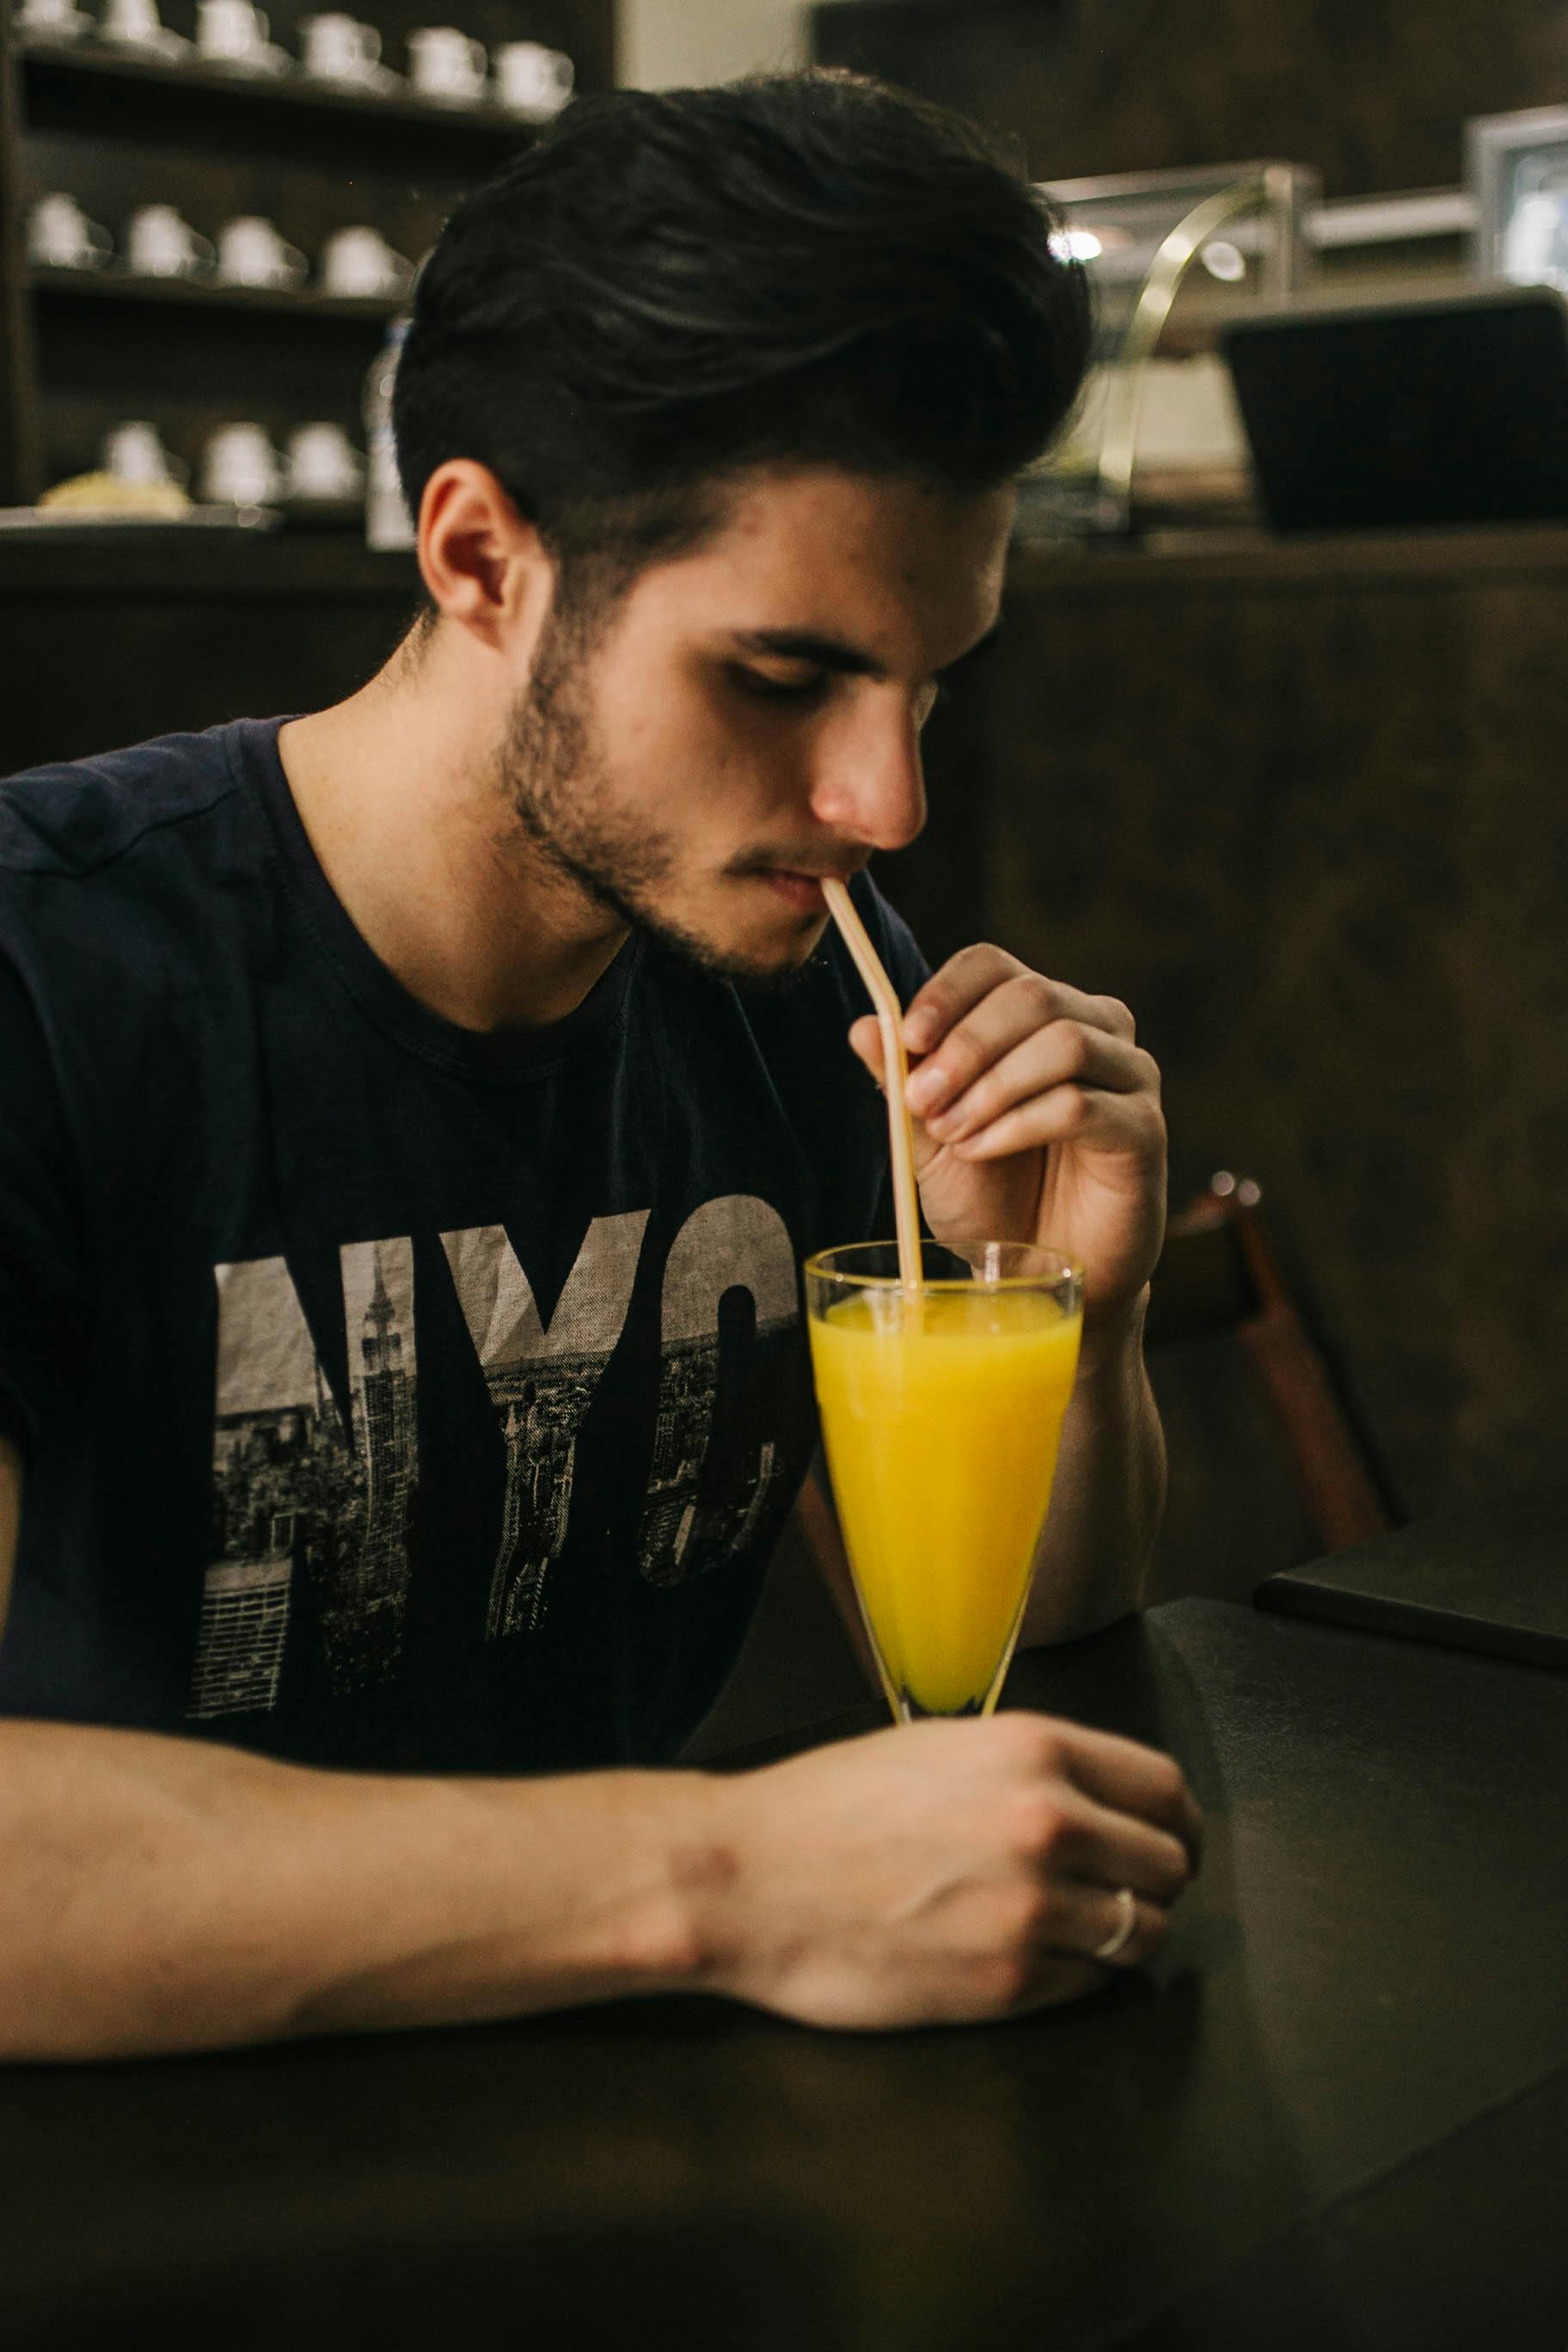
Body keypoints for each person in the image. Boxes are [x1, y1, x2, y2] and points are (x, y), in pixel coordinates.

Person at [0, 69, 1199, 2061]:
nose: (886, 799)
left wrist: (1058, 1305)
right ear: (478, 555)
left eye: (930, 687)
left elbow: (1031, 1631)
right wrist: (728, 1878)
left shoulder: (794, 948)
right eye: (781, 674)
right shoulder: (49, 971)